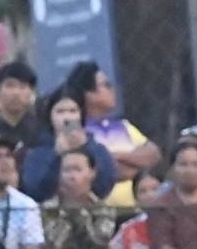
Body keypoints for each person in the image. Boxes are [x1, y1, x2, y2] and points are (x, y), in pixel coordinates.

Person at [62, 61, 161, 208]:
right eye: (106, 85)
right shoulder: (76, 131)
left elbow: (154, 155)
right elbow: (105, 172)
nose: (113, 90)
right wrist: (136, 163)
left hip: (138, 210)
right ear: (88, 94)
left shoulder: (123, 126)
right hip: (101, 213)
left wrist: (114, 156)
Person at [18, 86, 118, 203]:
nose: (67, 118)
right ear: (50, 116)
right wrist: (56, 155)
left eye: (73, 111)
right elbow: (35, 190)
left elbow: (105, 186)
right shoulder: (38, 151)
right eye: (60, 111)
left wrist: (86, 148)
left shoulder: (97, 148)